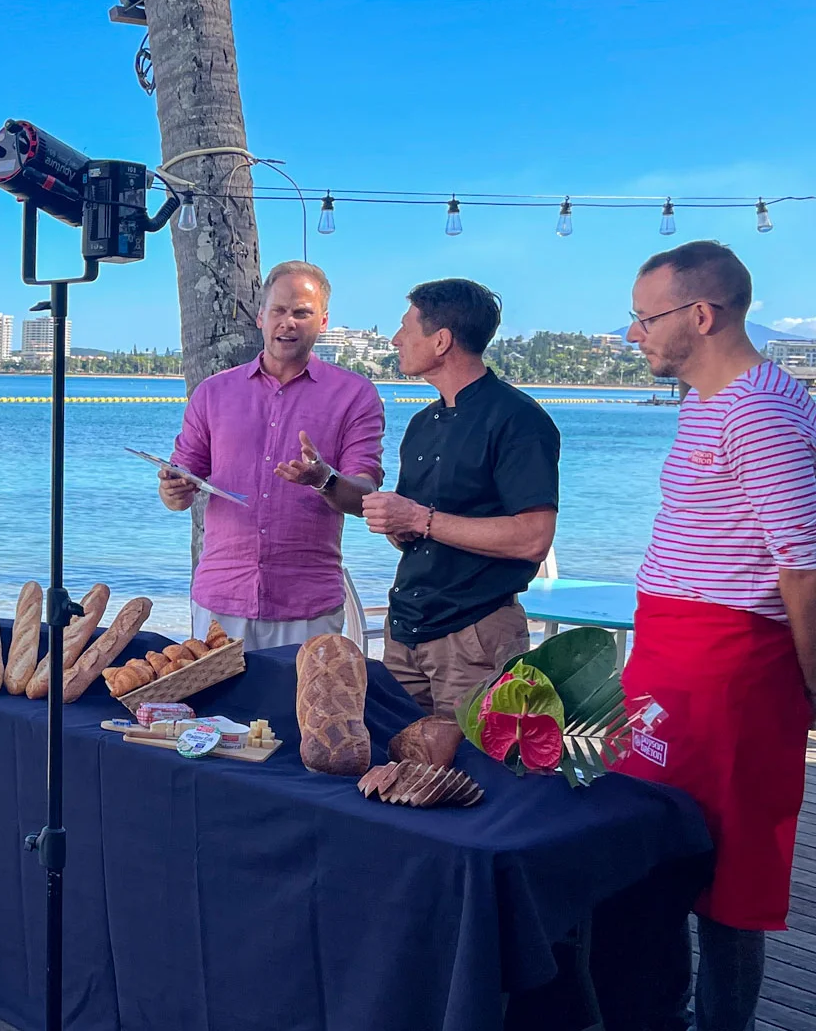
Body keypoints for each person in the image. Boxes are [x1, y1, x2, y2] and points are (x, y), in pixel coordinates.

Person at [590, 241, 816, 1031]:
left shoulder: (761, 414)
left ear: (702, 315)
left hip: (731, 672)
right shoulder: (707, 402)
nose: (632, 333)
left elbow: (803, 567)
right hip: (670, 660)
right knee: (654, 851)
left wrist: (812, 686)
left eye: (644, 317)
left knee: (729, 881)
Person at [160, 260, 386, 649]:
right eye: (279, 310)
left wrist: (324, 480)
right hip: (221, 598)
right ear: (261, 317)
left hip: (308, 604)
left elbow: (366, 497)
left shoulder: (355, 395)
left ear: (323, 321)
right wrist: (172, 490)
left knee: (308, 694)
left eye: (302, 313)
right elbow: (179, 485)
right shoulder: (213, 392)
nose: (288, 322)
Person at [361, 279, 558, 716]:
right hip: (405, 629)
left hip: (476, 635)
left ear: (441, 340)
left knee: (474, 759)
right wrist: (394, 522)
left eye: (405, 327)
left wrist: (418, 519)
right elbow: (415, 531)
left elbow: (533, 539)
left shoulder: (519, 420)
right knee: (393, 752)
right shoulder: (421, 423)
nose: (395, 340)